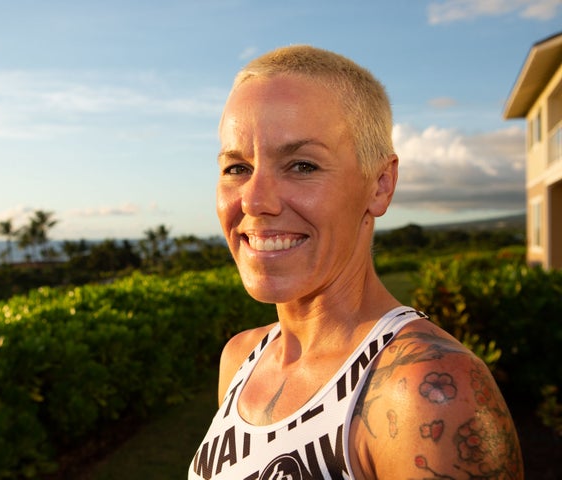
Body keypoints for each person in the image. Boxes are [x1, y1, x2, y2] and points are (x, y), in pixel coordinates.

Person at [188, 45, 523, 480]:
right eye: (237, 167)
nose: (254, 200)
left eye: (302, 165)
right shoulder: (241, 358)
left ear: (380, 185)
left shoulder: (428, 390)